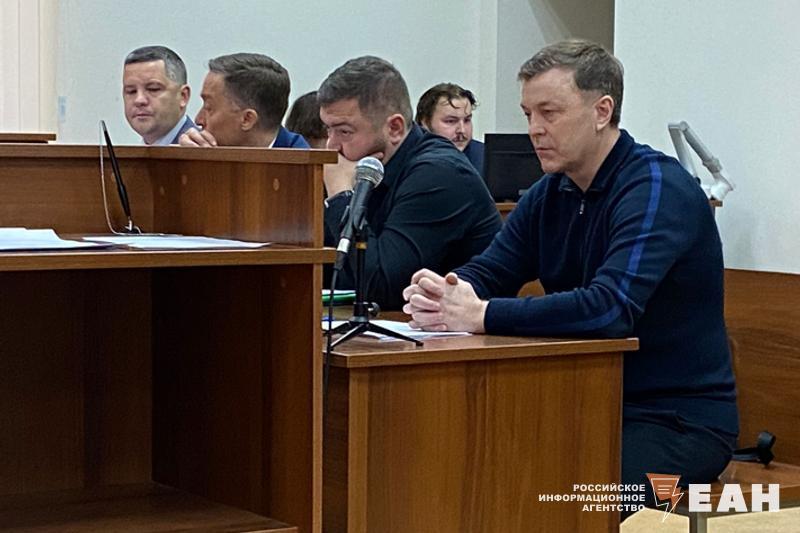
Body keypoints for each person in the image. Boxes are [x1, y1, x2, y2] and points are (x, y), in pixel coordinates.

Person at [402, 39, 738, 519]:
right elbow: (491, 270)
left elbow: (609, 309)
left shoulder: (656, 188)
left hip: (676, 422)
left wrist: (482, 314)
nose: (534, 129)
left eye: (550, 113)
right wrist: (446, 290)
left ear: (602, 111)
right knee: (471, 472)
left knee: (568, 501)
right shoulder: (550, 191)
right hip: (582, 403)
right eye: (528, 114)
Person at [318, 56, 502, 310]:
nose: (332, 146)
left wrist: (341, 194)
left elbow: (383, 288)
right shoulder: (366, 167)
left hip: (464, 330)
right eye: (328, 130)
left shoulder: (439, 173)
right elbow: (328, 271)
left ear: (394, 128)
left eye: (345, 131)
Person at [180, 53, 308, 148]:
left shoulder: (303, 169)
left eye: (209, 108)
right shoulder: (201, 148)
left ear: (247, 119)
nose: (198, 120)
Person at [122, 45, 196, 145]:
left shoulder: (203, 150)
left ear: (183, 96)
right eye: (131, 91)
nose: (139, 100)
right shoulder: (119, 154)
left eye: (153, 89)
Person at [415, 83, 484, 176]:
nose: (462, 130)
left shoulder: (485, 158)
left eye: (467, 120)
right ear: (425, 122)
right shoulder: (408, 159)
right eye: (451, 121)